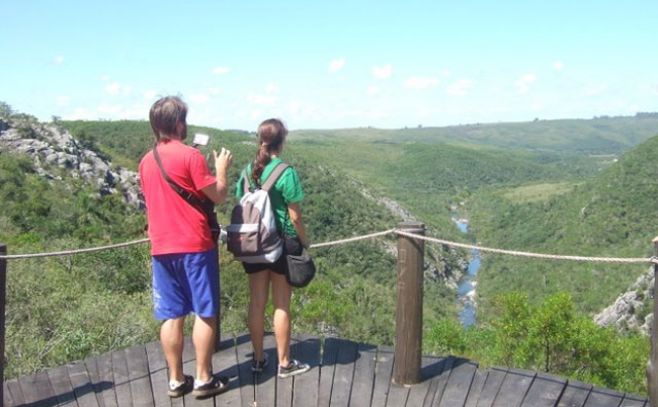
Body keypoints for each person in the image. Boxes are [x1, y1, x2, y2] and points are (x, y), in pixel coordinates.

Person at [139, 96, 233, 398]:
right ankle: (204, 379)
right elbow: (218, 195)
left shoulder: (145, 160)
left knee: (171, 314)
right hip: (194, 244)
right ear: (180, 123)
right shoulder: (191, 156)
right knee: (205, 311)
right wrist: (220, 168)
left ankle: (176, 380)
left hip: (161, 246)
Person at [236, 118, 311, 378]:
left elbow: (242, 203)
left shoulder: (247, 171)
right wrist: (304, 242)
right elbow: (295, 217)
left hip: (253, 243)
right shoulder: (285, 172)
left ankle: (258, 360)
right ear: (282, 141)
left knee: (256, 303)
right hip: (281, 244)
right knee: (281, 305)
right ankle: (284, 363)